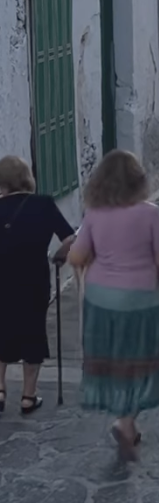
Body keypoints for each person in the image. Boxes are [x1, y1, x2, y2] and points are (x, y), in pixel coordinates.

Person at [68, 151, 159, 461]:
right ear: (138, 182)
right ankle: (127, 421)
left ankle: (123, 419)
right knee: (146, 360)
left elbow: (76, 256)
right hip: (141, 299)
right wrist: (158, 283)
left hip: (102, 301)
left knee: (113, 363)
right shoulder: (150, 213)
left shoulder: (94, 214)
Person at [0, 156, 75, 416]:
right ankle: (28, 397)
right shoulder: (43, 204)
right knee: (33, 331)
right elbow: (70, 238)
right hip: (34, 279)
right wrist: (60, 255)